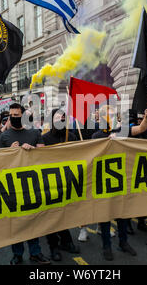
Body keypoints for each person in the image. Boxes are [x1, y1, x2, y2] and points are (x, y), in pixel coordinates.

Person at [91, 104, 147, 261]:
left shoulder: (122, 130)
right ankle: (106, 246)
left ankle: (123, 243)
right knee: (105, 216)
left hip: (122, 180)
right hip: (104, 181)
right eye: (107, 114)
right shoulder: (96, 136)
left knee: (123, 214)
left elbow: (141, 129)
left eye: (113, 114)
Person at [0, 103, 50, 265]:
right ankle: (17, 254)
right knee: (16, 223)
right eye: (11, 116)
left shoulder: (34, 133)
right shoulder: (4, 137)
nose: (14, 118)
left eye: (17, 115)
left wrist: (33, 149)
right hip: (12, 186)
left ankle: (36, 252)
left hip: (32, 185)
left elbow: (45, 155)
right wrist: (9, 152)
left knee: (33, 220)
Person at [41, 109, 81, 261]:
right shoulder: (44, 138)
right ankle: (53, 247)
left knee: (64, 215)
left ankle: (66, 242)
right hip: (50, 185)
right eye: (57, 117)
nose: (61, 119)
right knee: (51, 216)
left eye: (63, 117)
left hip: (68, 183)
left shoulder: (71, 137)